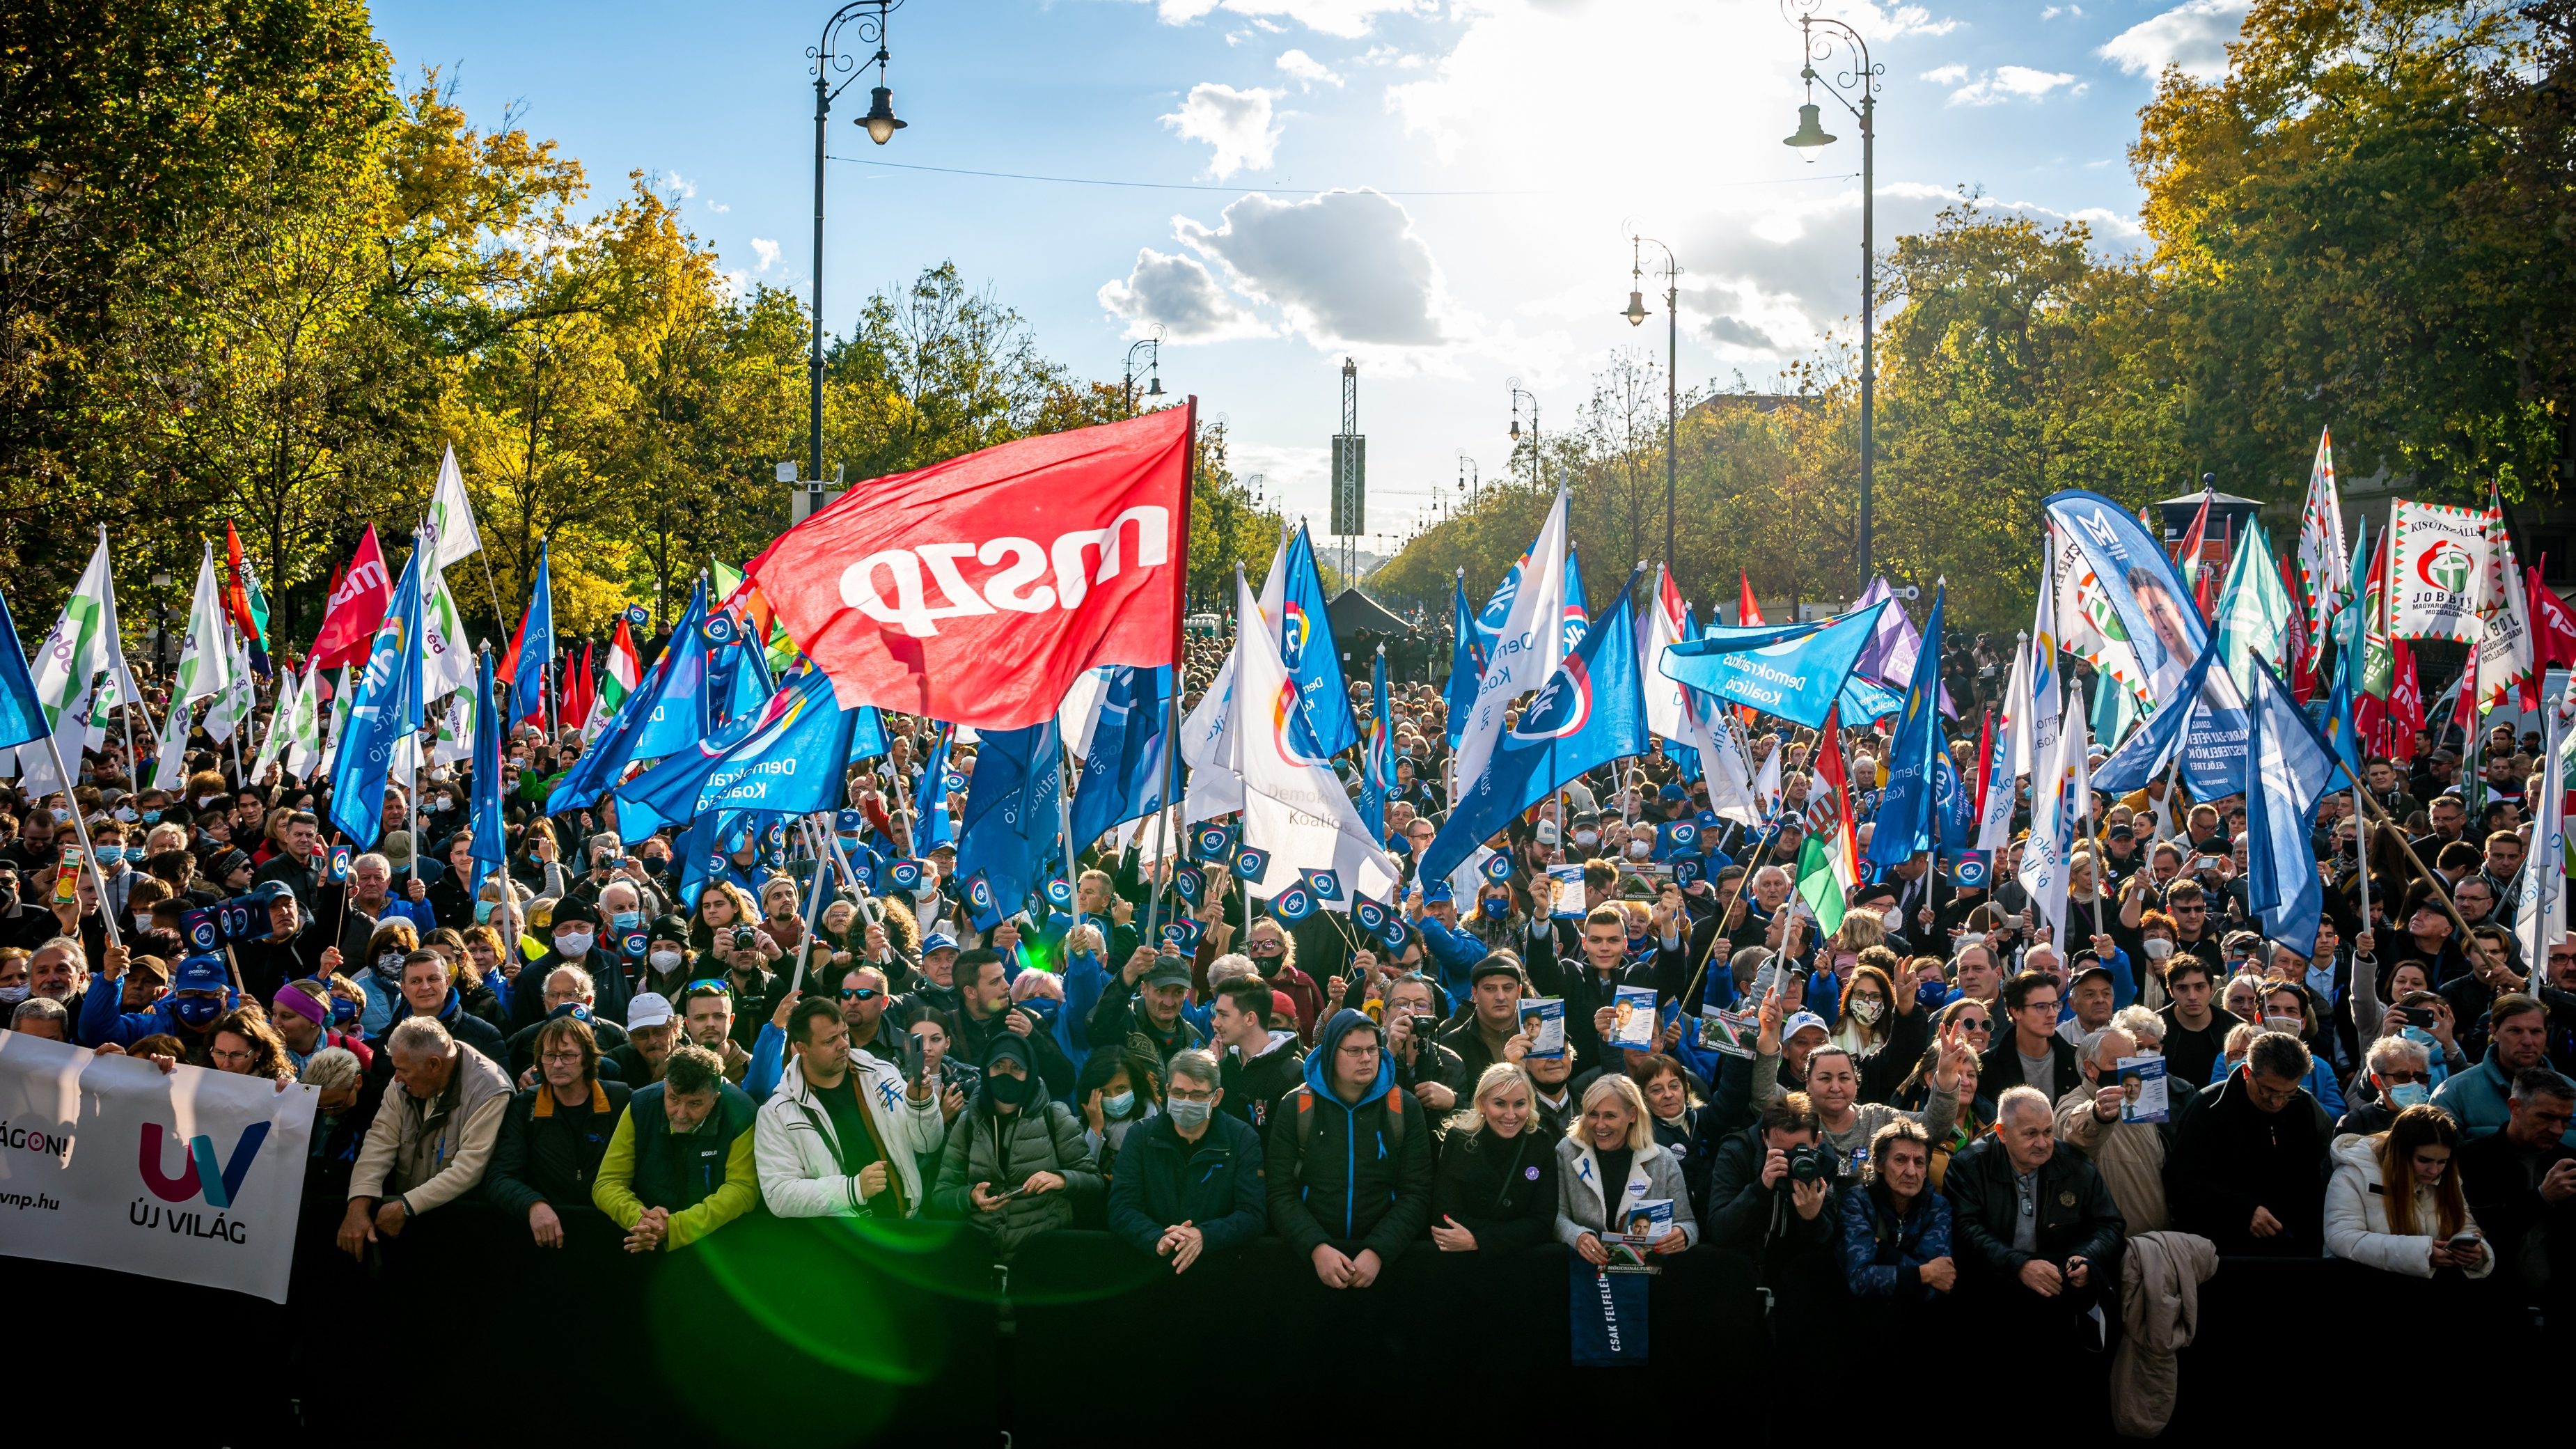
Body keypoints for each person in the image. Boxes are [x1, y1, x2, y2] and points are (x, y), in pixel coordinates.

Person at [1266, 1008, 1434, 1289]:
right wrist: (1316, 1247)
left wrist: (1379, 1250)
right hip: (1310, 1263)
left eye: (1372, 1049)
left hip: (1385, 1265)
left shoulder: (1404, 1107)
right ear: (1332, 1053)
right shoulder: (1295, 1106)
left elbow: (1416, 1192)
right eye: (1354, 1051)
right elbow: (1280, 1192)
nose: (1367, 1059)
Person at [1944, 1084, 2125, 1337]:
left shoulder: (2075, 1165)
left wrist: (2085, 1258)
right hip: (1991, 1296)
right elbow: (1964, 1229)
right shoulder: (1969, 1166)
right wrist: (2019, 1265)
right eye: (2030, 1134)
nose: (2042, 1143)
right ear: (2002, 1132)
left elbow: (2110, 1224)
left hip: (2059, 1291)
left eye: (2048, 1132)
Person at [338, 1016, 513, 1262]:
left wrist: (407, 1206)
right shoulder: (404, 1078)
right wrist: (358, 1203)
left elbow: (469, 1168)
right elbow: (380, 1140)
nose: (396, 1078)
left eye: (403, 1070)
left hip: (462, 1232)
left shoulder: (489, 1090)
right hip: (409, 1220)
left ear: (434, 1065)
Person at [755, 995, 945, 1219]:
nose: (844, 1044)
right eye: (830, 1040)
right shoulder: (777, 1113)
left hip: (904, 1224)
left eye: (844, 1034)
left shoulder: (882, 1074)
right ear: (802, 1049)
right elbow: (779, 1195)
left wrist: (920, 1103)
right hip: (843, 1243)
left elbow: (927, 1144)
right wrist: (853, 1190)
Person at [929, 1031, 1101, 1255]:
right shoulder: (969, 1121)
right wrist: (970, 1197)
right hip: (983, 1250)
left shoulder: (1055, 1117)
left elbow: (1094, 1183)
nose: (1006, 1075)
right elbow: (941, 1196)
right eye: (998, 1067)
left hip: (1042, 1250)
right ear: (986, 1070)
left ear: (1029, 1072)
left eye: (1016, 1068)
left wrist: (1060, 1179)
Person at [2166, 1031, 2334, 1255]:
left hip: (2293, 1249)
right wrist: (2243, 1211)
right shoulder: (2208, 1108)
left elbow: (2317, 1177)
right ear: (2246, 1072)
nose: (2277, 1102)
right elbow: (2181, 1181)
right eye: (2268, 1091)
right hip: (2224, 1251)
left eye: (2288, 1094)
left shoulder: (2304, 1107)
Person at [1106, 1049, 1269, 1272]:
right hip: (1153, 1266)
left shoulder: (1242, 1139)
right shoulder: (1140, 1136)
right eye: (1179, 1093)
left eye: (1197, 1095)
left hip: (1219, 1267)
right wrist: (1157, 1238)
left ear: (1217, 1097)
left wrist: (1204, 1235)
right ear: (1167, 1091)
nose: (1186, 1102)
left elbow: (1253, 1214)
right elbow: (1122, 1208)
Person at [591, 1043, 759, 1253]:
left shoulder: (742, 1114)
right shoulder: (639, 1107)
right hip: (644, 1240)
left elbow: (742, 1190)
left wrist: (674, 1227)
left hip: (719, 1245)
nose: (680, 1113)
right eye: (673, 1099)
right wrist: (640, 1219)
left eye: (695, 1104)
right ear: (665, 1085)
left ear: (715, 1098)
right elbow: (607, 1183)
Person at [485, 1015, 632, 1251]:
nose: (558, 1064)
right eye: (550, 1056)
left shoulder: (621, 1100)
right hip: (547, 1238)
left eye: (568, 1055)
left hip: (611, 1233)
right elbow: (500, 1176)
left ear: (586, 1058)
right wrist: (533, 1204)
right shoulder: (525, 1107)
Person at [2325, 1103, 2494, 1280]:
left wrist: (2476, 1252)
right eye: (2424, 1160)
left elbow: (2465, 1226)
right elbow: (2343, 1238)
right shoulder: (2352, 1174)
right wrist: (2420, 1254)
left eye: (2442, 1162)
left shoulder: (2448, 1178)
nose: (2434, 1171)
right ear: (2400, 1153)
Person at [2457, 1067, 2576, 1307]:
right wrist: (2542, 1198)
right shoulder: (2471, 1159)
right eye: (2546, 1117)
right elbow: (2481, 1236)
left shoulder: (2571, 1164)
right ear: (2515, 1107)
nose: (2558, 1130)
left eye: (2565, 1120)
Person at [1556, 1072, 1697, 1263]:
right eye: (1593, 1114)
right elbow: (1557, 1217)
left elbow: (1688, 1223)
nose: (1599, 1125)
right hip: (1585, 1272)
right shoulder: (1567, 1151)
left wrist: (1682, 1234)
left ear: (1632, 1115)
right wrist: (1578, 1237)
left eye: (1610, 1116)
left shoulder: (1662, 1159)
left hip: (1644, 1277)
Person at [1430, 1063, 1560, 1253]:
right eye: (1500, 1103)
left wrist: (1479, 1240)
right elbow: (1445, 1216)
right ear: (1482, 1103)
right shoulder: (1459, 1140)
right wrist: (1510, 1233)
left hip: (1520, 1263)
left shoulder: (1540, 1143)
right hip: (1465, 1264)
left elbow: (1543, 1222)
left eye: (1519, 1104)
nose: (1510, 1115)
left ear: (1530, 1103)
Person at [2055, 1024, 2168, 1235]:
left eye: (2130, 1062)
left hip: (2156, 1239)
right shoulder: (2073, 1102)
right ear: (2090, 1068)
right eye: (2117, 1063)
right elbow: (2075, 1132)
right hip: (2112, 1245)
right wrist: (2097, 1115)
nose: (2126, 1070)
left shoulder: (2141, 1104)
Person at [1841, 1118, 1958, 1313]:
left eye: (1919, 1162)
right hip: (1863, 1319)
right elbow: (1860, 1280)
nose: (1911, 1171)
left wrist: (1883, 1250)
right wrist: (1923, 1273)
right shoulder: (1859, 1202)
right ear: (1879, 1163)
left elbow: (1935, 1287)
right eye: (1900, 1160)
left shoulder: (1936, 1207)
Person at [2431, 994, 2573, 1143]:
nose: (2528, 1041)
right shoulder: (2455, 1093)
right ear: (2494, 1032)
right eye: (2515, 1031)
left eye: (2536, 1032)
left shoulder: (2572, 1093)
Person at [1210, 974, 1304, 1131]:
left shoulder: (1293, 1075)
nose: (1216, 1023)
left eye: (1224, 1015)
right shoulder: (1222, 1069)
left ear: (1250, 1019)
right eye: (1216, 1014)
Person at [1984, 969, 2082, 1102]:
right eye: (2041, 1007)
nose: (2052, 1013)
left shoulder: (2076, 1059)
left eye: (2055, 1005)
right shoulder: (1989, 1066)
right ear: (2016, 1011)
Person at [2155, 954, 2238, 1090]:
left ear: (2212, 989)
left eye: (2200, 987)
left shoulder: (2235, 1027)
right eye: (2182, 988)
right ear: (2171, 991)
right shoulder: (2154, 1028)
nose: (2192, 996)